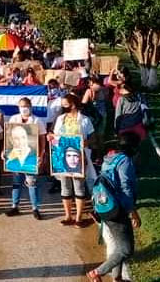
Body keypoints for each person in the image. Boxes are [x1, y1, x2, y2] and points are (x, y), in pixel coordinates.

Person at [87, 132, 142, 282]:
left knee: (119, 247)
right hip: (118, 209)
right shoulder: (125, 161)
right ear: (133, 147)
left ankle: (117, 278)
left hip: (106, 206)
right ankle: (97, 272)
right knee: (126, 249)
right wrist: (133, 212)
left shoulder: (110, 158)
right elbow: (126, 188)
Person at [50, 94, 96, 228]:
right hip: (62, 157)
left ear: (73, 104)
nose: (63, 106)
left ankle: (79, 217)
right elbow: (53, 134)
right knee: (65, 186)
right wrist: (50, 136)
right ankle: (68, 216)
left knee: (79, 187)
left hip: (78, 158)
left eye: (65, 104)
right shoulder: (60, 119)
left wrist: (84, 143)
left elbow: (93, 139)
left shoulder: (85, 120)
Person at [5, 97, 47, 219]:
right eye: (22, 106)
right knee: (16, 182)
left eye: (26, 106)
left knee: (32, 182)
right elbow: (9, 138)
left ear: (31, 107)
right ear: (19, 107)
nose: (24, 108)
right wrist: (6, 152)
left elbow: (42, 138)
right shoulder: (14, 119)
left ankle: (35, 208)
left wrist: (41, 155)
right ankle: (14, 206)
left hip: (31, 156)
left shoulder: (37, 120)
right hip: (16, 157)